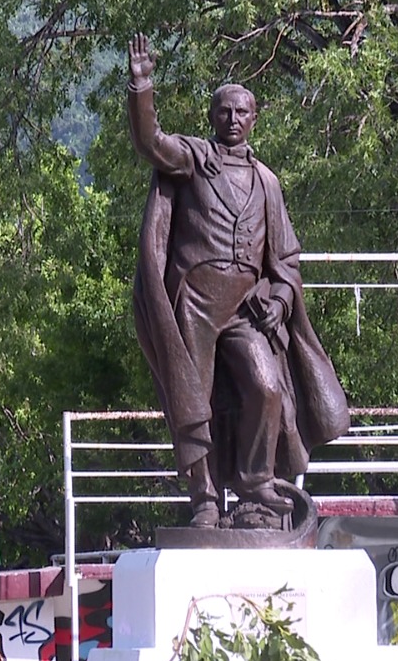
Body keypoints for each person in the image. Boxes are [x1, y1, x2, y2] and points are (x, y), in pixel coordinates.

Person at [126, 34, 348, 529]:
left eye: (241, 113)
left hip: (247, 308)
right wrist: (142, 85)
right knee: (194, 398)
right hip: (196, 305)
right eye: (224, 112)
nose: (232, 120)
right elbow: (150, 142)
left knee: (266, 387)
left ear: (254, 119)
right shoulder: (193, 158)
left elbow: (286, 257)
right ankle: (204, 498)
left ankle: (253, 486)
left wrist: (283, 298)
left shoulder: (267, 181)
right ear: (213, 117)